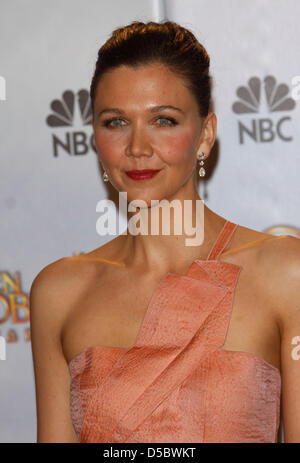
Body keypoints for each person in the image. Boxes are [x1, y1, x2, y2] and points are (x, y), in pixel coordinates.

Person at [29, 20, 300, 443]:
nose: (137, 147)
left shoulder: (285, 273)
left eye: (164, 121)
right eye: (116, 122)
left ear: (205, 135)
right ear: (94, 135)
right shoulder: (60, 292)